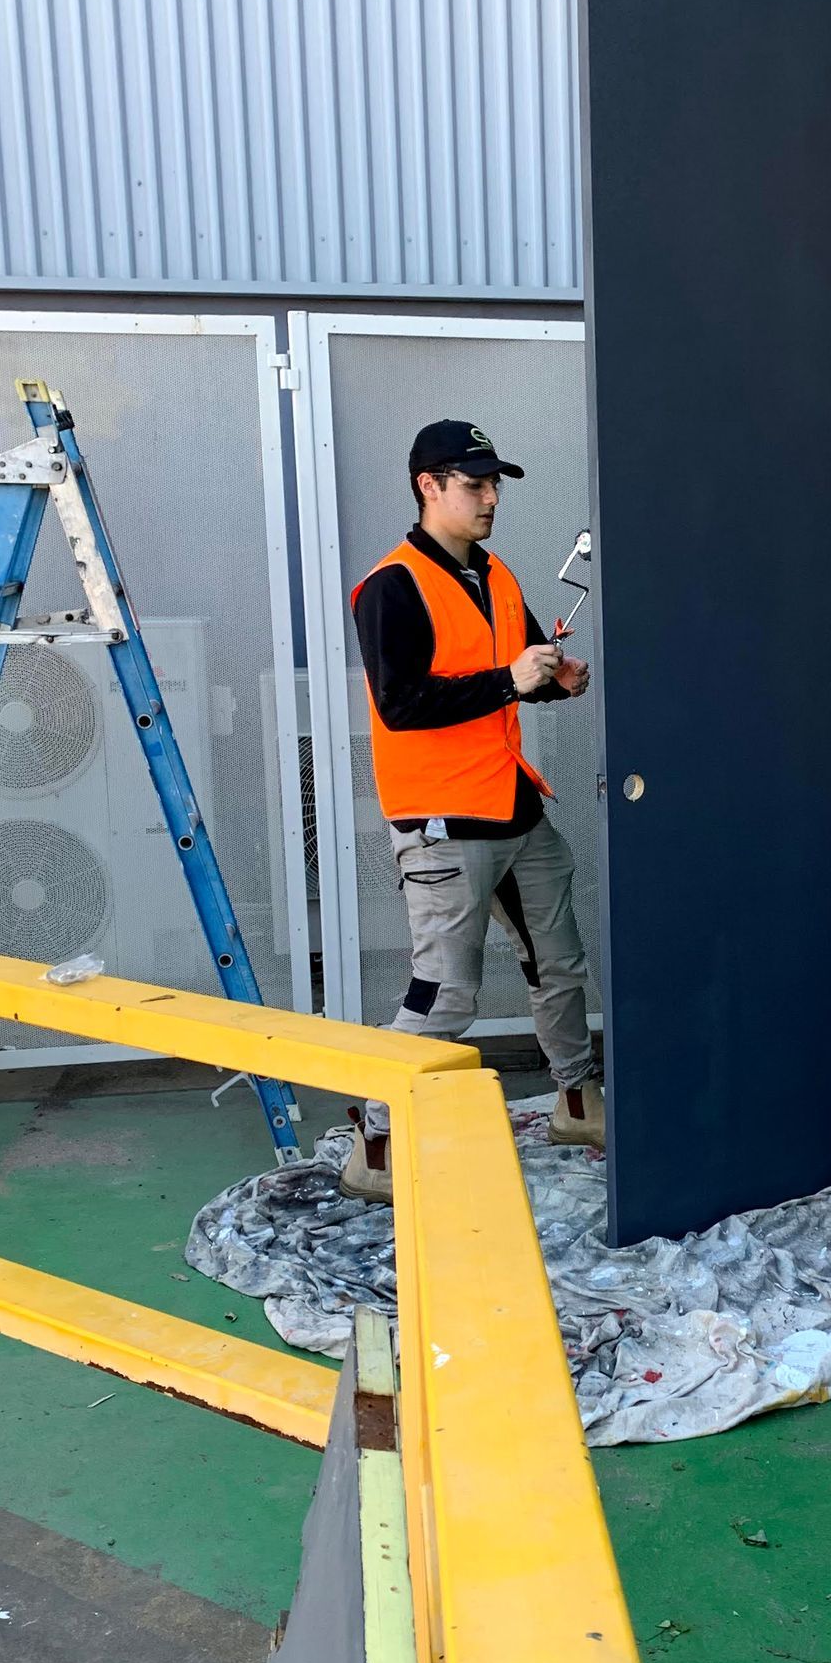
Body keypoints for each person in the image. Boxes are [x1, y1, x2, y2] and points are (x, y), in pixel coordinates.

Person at [339, 419, 601, 1203]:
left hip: (514, 806)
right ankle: (376, 1144)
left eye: (494, 485)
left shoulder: (496, 574)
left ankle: (577, 1106)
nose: (491, 498)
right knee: (446, 995)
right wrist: (511, 681)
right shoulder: (391, 587)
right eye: (474, 484)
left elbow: (514, 672)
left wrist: (554, 679)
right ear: (429, 486)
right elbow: (401, 705)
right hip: (443, 825)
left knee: (559, 967)